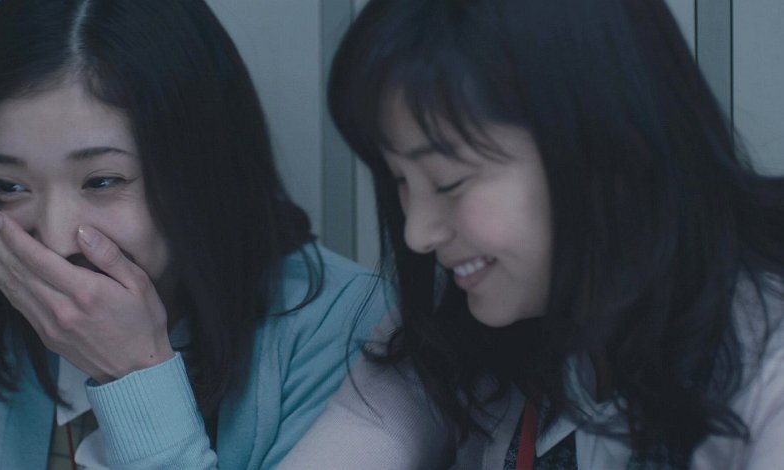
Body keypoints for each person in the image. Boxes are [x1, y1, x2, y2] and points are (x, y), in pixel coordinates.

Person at [281, 0, 784, 468]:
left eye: (448, 182)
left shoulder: (766, 366)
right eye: (400, 182)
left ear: (605, 144)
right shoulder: (454, 324)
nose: (417, 234)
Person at [0, 0, 385, 468]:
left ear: (201, 167)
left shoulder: (342, 324)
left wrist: (135, 372)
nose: (55, 241)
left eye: (102, 181)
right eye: (10, 186)